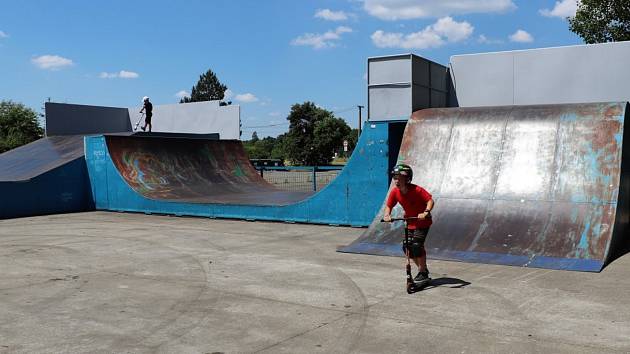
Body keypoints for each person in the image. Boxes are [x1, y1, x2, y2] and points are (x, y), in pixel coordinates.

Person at [383, 163, 434, 282]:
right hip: (409, 221)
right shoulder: (395, 192)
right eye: (394, 178)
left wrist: (425, 212)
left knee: (416, 245)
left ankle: (422, 272)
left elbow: (430, 201)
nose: (396, 180)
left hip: (422, 222)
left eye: (399, 178)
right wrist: (387, 215)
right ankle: (423, 270)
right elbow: (389, 206)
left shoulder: (417, 190)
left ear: (407, 178)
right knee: (407, 247)